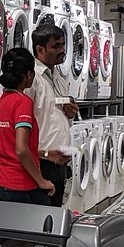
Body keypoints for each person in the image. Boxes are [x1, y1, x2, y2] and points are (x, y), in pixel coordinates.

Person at [0, 47, 55, 205]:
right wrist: (41, 181)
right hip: (21, 185)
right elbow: (21, 148)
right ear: (29, 75)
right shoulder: (23, 102)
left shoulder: (0, 102)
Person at [30, 22, 79, 207]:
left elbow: (52, 116)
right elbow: (21, 122)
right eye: (56, 46)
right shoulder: (31, 78)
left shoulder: (58, 76)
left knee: (54, 214)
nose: (62, 50)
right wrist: (44, 153)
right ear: (40, 49)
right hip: (41, 161)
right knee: (41, 219)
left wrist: (70, 114)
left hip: (59, 161)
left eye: (63, 44)